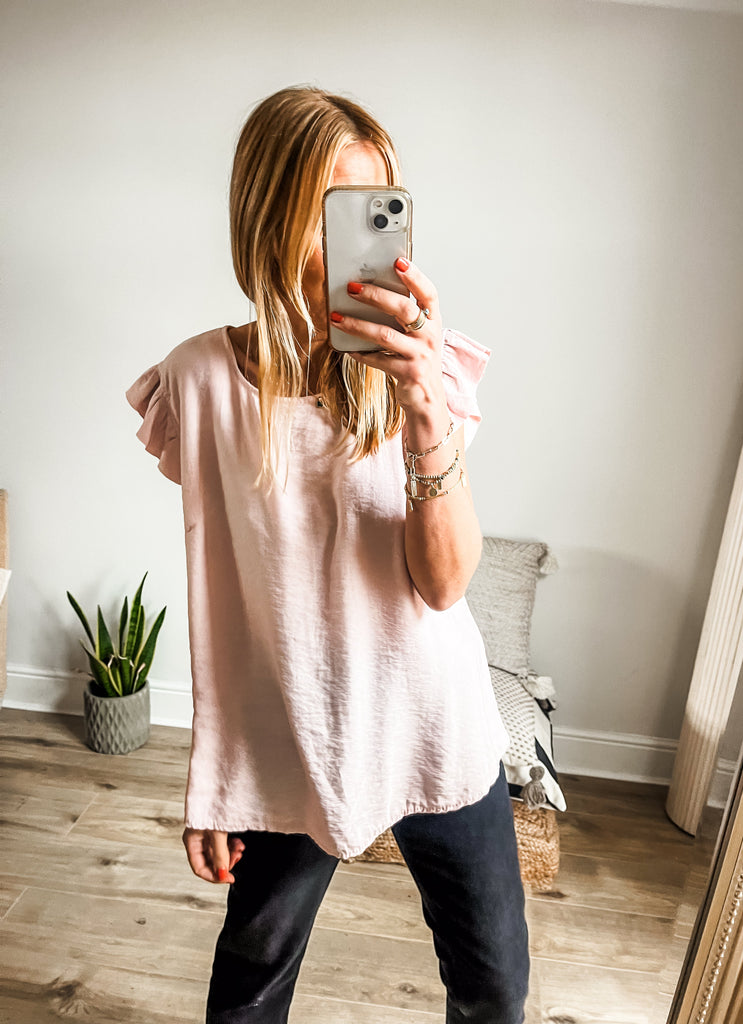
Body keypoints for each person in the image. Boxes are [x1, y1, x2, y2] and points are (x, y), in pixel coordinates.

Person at [126, 85, 529, 1024]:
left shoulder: (422, 369)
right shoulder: (198, 381)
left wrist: (424, 411)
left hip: (435, 718)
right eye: (329, 215)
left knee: (494, 986)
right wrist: (214, 780)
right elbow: (224, 600)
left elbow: (444, 584)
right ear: (266, 219)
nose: (359, 246)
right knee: (250, 985)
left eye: (373, 211)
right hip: (291, 732)